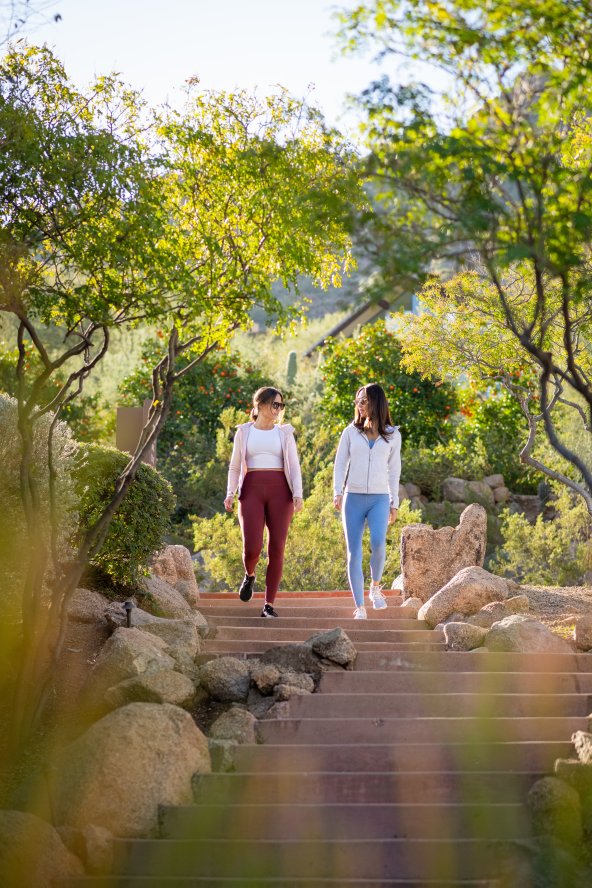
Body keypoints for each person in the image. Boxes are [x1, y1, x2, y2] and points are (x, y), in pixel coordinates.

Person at [224, 387, 303, 617]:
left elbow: (294, 465)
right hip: (251, 491)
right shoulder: (244, 432)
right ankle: (249, 575)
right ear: (259, 406)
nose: (278, 410)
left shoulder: (284, 433)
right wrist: (230, 492)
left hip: (281, 493)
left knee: (277, 547)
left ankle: (269, 605)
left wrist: (297, 493)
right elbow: (235, 465)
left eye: (281, 405)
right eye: (274, 404)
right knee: (252, 548)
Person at [333, 383, 401, 619]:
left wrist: (395, 503)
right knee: (354, 553)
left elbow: (394, 471)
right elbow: (340, 463)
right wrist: (337, 492)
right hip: (353, 497)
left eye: (363, 401)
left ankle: (375, 588)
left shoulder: (393, 435)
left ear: (376, 402)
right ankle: (360, 606)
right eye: (357, 401)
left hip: (380, 498)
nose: (359, 406)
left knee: (378, 542)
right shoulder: (350, 432)